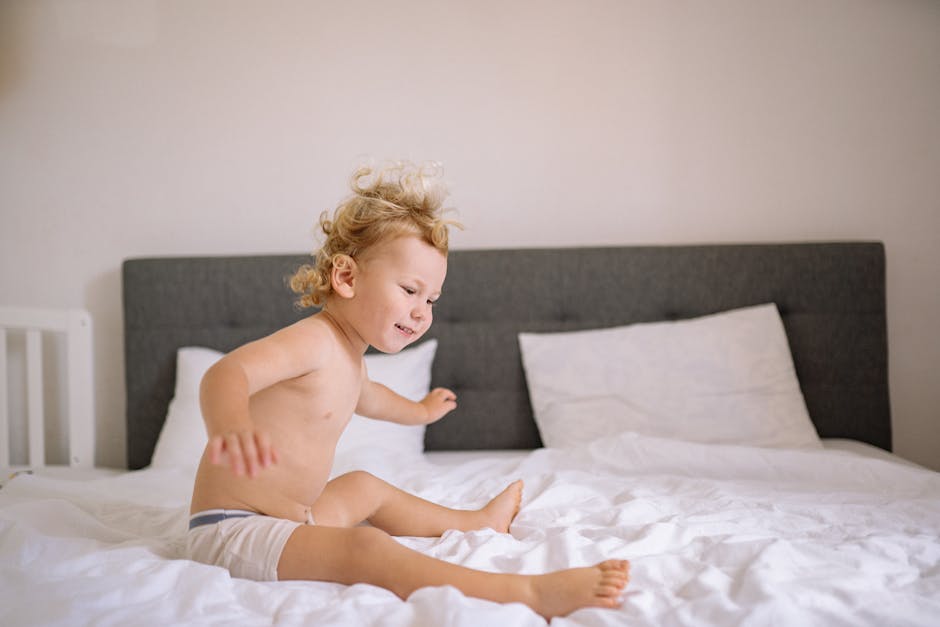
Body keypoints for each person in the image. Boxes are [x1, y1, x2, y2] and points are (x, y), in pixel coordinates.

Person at [185, 161, 630, 619]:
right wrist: (231, 425)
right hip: (233, 529)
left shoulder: (350, 363)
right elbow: (226, 374)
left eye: (431, 300)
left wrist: (421, 411)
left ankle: (475, 523)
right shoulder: (312, 341)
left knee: (363, 486)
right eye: (410, 290)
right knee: (364, 546)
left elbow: (378, 401)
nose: (421, 312)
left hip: (289, 519)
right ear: (347, 278)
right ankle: (527, 594)